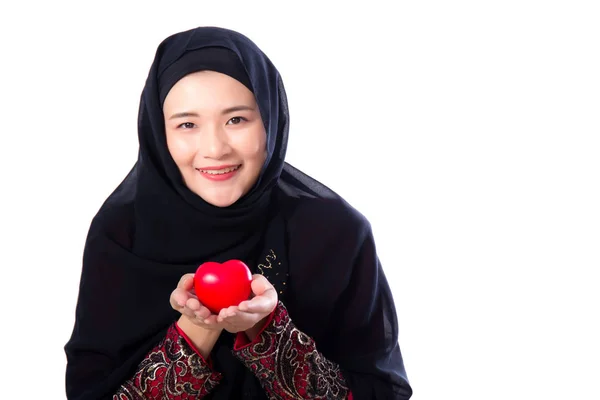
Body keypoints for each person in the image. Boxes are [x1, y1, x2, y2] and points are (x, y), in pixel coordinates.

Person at [64, 26, 413, 400]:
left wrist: (267, 329)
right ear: (158, 133)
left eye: (236, 120)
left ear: (270, 120)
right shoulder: (121, 236)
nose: (214, 148)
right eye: (187, 124)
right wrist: (197, 330)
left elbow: (380, 393)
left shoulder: (335, 234)